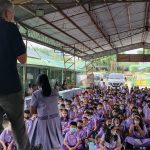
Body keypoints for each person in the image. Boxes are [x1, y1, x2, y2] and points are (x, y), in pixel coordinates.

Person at [0, 1, 31, 150]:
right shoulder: (10, 28)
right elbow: (23, 59)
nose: (13, 16)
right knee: (18, 124)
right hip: (10, 87)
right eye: (12, 13)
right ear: (6, 13)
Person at [29, 74, 63, 150]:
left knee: (42, 142)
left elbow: (32, 110)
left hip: (43, 121)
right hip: (55, 120)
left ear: (38, 83)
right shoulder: (54, 91)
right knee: (54, 141)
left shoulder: (36, 94)